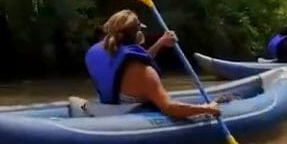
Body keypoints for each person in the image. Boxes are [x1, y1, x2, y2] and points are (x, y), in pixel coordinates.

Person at [84, 9, 220, 119]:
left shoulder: (94, 53)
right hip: (131, 115)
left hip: (109, 107)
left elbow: (126, 66)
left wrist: (161, 42)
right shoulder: (146, 73)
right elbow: (169, 108)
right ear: (138, 34)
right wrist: (206, 108)